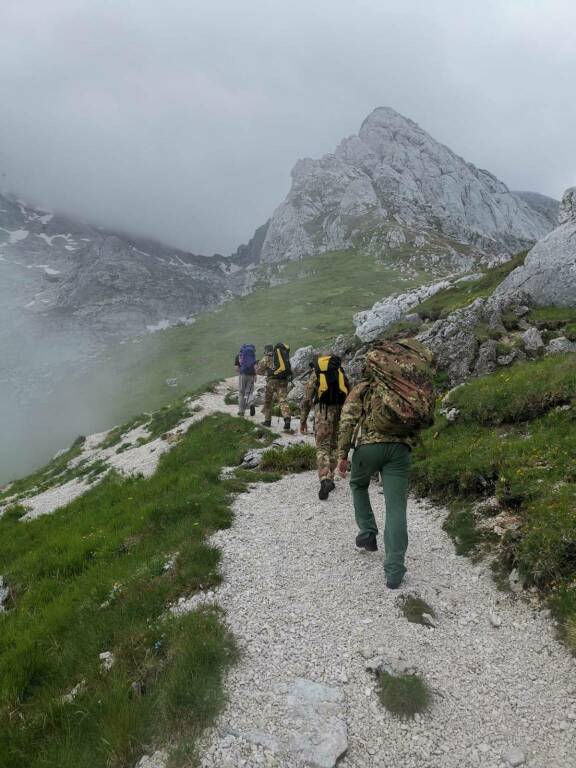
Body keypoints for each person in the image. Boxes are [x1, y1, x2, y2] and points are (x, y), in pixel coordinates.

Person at [337, 339, 435, 589]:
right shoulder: (402, 388)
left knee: (358, 485)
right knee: (396, 507)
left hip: (369, 448)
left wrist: (341, 455)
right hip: (400, 450)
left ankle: (368, 531)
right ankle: (394, 570)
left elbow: (347, 421)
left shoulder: (362, 389)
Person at [300, 352, 349, 500]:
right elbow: (350, 393)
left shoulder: (317, 372)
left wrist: (303, 420)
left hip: (323, 412)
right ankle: (331, 477)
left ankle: (324, 478)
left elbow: (308, 398)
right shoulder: (340, 371)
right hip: (339, 412)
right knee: (334, 445)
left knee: (322, 446)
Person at [257, 343, 293, 432]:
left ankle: (267, 421)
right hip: (283, 381)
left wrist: (267, 371)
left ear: (265, 350)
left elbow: (259, 371)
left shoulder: (266, 358)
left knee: (268, 401)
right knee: (282, 400)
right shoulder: (281, 357)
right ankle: (287, 418)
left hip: (271, 382)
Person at [235, 343, 257, 417]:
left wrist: (240, 373)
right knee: (249, 393)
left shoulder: (239, 356)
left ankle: (241, 411)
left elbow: (236, 368)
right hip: (251, 375)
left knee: (241, 393)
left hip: (242, 375)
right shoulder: (252, 356)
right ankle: (251, 403)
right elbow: (255, 367)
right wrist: (255, 375)